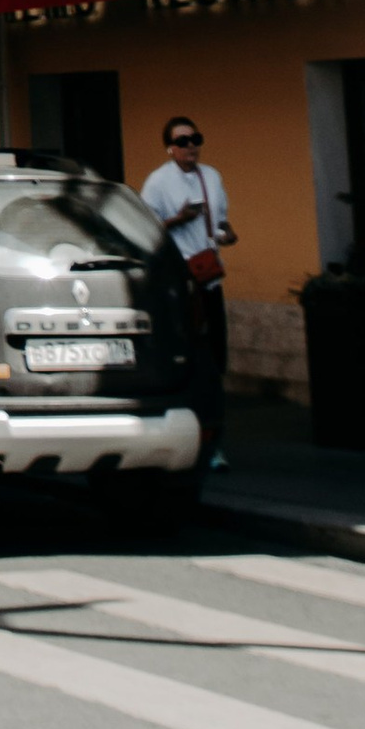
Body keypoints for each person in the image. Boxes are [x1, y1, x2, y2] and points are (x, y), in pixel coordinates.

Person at [141, 115, 234, 468]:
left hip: (208, 278)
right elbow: (147, 231)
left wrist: (225, 233)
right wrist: (177, 220)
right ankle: (190, 438)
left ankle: (213, 439)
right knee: (189, 360)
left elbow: (221, 221)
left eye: (195, 138)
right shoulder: (158, 183)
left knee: (215, 359)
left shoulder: (211, 177)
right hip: (180, 281)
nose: (190, 146)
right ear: (170, 148)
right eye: (182, 141)